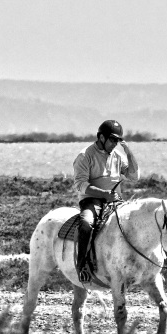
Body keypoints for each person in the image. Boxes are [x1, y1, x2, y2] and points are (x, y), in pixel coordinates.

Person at [71, 120, 141, 282]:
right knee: (86, 224)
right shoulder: (85, 156)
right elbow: (80, 185)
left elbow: (134, 176)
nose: (115, 144)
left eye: (118, 141)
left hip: (115, 201)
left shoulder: (118, 156)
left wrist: (129, 152)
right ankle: (82, 267)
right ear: (101, 137)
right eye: (112, 140)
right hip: (92, 201)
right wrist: (104, 194)